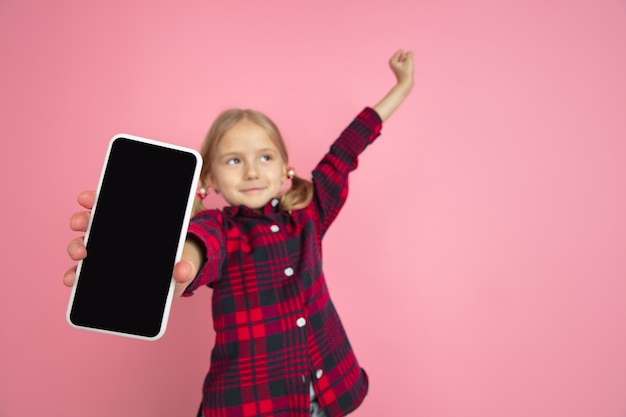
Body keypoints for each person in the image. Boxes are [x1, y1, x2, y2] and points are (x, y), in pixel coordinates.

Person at [64, 49, 414, 417]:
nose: (251, 172)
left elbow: (345, 150)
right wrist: (177, 262)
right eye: (234, 160)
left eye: (265, 157)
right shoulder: (220, 228)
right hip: (252, 405)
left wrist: (402, 86)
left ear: (285, 170)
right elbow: (200, 247)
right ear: (211, 177)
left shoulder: (309, 216)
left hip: (331, 391)